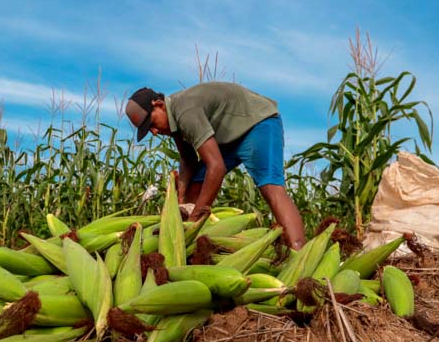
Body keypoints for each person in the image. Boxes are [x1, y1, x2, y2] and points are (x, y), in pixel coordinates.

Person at [126, 82, 307, 249]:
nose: (154, 132)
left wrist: (195, 220)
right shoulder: (173, 119)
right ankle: (190, 248)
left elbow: (217, 168)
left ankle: (298, 252)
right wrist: (180, 198)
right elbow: (188, 159)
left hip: (257, 123)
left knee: (270, 187)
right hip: (228, 137)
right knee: (196, 182)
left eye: (151, 124)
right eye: (148, 130)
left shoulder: (185, 112)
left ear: (159, 105)